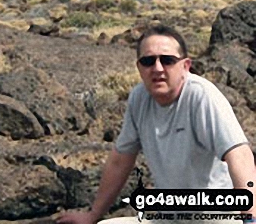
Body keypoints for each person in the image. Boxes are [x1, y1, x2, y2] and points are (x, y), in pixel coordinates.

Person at [58, 25, 255, 224]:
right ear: (139, 67)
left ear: (185, 66)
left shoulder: (201, 96)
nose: (158, 68)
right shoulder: (139, 98)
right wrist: (92, 215)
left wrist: (251, 218)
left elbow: (239, 155)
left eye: (168, 60)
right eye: (148, 61)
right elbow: (120, 160)